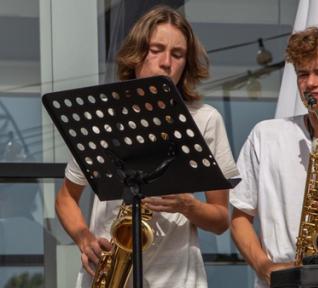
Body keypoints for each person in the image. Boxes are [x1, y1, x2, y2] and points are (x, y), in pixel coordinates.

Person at [55, 5, 239, 287]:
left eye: (177, 55)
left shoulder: (205, 119)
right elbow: (66, 198)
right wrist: (83, 237)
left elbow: (220, 219)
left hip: (178, 278)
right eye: (156, 49)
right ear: (136, 54)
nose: (166, 62)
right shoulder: (102, 116)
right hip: (108, 273)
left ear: (185, 64)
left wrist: (186, 205)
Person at [230, 24, 318, 287]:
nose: (310, 83)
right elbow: (240, 218)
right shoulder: (265, 134)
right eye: (303, 74)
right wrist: (265, 268)